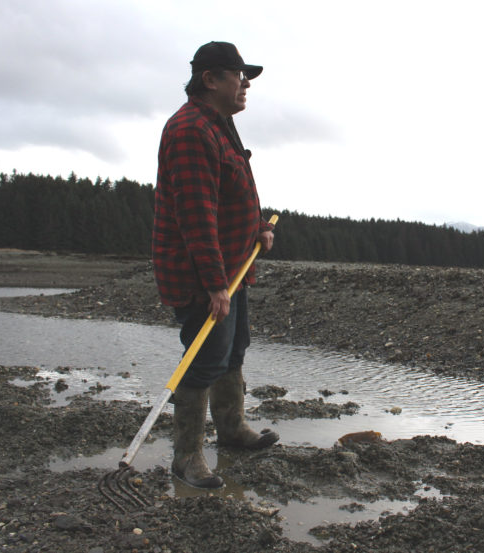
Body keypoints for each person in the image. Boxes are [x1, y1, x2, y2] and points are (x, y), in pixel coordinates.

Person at [152, 41, 279, 489]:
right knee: (205, 361)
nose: (245, 85)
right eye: (238, 76)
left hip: (233, 268)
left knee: (233, 350)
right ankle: (186, 459)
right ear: (210, 79)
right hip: (203, 277)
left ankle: (232, 430)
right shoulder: (189, 129)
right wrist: (214, 284)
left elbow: (234, 190)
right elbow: (196, 214)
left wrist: (258, 227)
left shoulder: (220, 126)